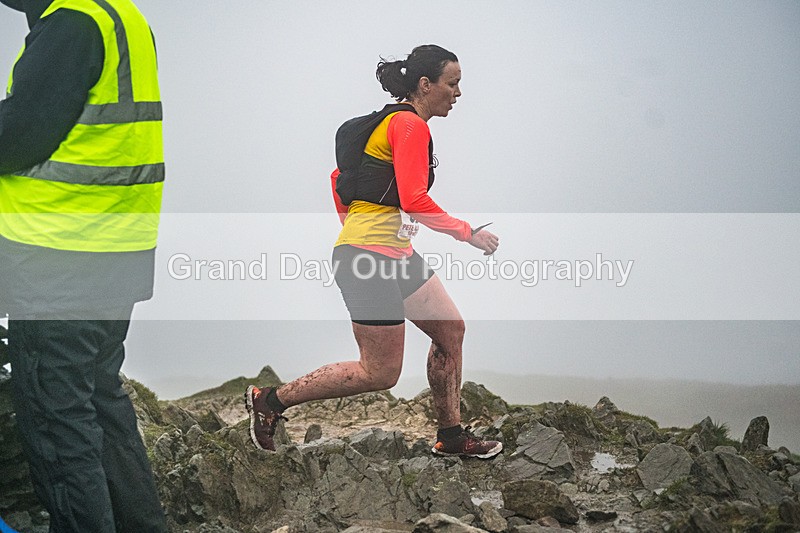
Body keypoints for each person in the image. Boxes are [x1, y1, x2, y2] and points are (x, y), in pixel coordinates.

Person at [246, 44, 503, 459]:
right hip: (368, 257)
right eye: (451, 84)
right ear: (425, 84)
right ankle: (269, 401)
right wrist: (465, 232)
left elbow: (339, 179)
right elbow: (415, 199)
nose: (457, 93)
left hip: (393, 252)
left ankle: (452, 437)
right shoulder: (409, 126)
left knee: (450, 330)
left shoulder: (389, 124)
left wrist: (358, 225)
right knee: (380, 372)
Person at [0, 0, 167, 531]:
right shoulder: (119, 18)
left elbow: (19, 139)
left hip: (59, 260)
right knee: (98, 400)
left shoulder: (69, 27)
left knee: (58, 419)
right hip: (114, 249)